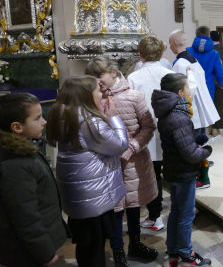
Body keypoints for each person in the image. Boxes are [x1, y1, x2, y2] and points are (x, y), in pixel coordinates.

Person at [46, 76, 129, 267]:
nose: (102, 94)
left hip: (80, 195)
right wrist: (114, 116)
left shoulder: (63, 114)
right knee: (94, 249)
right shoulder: (89, 122)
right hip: (93, 196)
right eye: (98, 90)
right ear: (86, 95)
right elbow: (119, 145)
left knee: (87, 246)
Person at [85, 58, 158, 266]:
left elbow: (148, 127)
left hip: (133, 161)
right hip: (107, 164)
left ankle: (135, 243)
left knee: (133, 207)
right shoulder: (93, 99)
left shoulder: (133, 96)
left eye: (99, 75)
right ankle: (118, 251)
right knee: (115, 211)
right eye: (92, 77)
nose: (97, 81)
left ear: (114, 73)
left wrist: (133, 146)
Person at [0, 93, 68, 267]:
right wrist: (45, 254)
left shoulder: (22, 151)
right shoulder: (14, 165)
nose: (44, 122)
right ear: (17, 127)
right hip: (29, 252)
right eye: (37, 118)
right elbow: (25, 217)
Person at [151, 73, 212, 267]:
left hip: (173, 169)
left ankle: (173, 248)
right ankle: (186, 254)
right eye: (187, 88)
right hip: (183, 173)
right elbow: (190, 154)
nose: (189, 91)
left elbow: (181, 144)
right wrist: (206, 151)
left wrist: (194, 142)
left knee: (176, 212)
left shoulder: (168, 112)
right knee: (186, 215)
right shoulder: (179, 117)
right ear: (179, 92)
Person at [128, 35, 175, 231]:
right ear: (162, 53)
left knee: (151, 175)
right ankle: (170, 215)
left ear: (140, 55)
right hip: (169, 131)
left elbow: (130, 109)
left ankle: (156, 216)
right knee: (168, 174)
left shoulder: (133, 77)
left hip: (145, 132)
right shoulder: (169, 74)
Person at [169, 29, 220, 189]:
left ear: (174, 44)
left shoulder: (180, 64)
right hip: (198, 111)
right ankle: (202, 176)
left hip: (191, 113)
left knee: (193, 148)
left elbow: (181, 92)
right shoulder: (193, 60)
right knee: (199, 144)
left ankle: (201, 179)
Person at [187, 26, 223, 100]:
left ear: (196, 35)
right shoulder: (214, 54)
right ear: (209, 35)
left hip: (191, 87)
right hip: (208, 87)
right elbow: (220, 72)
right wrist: (222, 84)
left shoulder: (187, 51)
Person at [210, 30, 223, 135]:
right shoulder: (222, 50)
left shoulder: (206, 50)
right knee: (218, 104)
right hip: (219, 82)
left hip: (207, 82)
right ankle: (216, 128)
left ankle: (209, 127)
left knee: (209, 104)